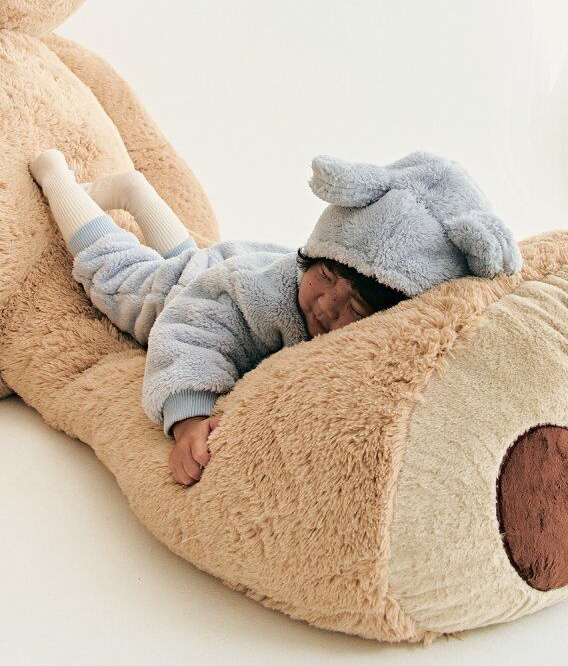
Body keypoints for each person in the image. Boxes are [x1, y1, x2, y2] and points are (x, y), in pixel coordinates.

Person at [29, 148, 520, 485]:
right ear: (317, 252)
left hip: (228, 266)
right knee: (123, 282)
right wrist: (189, 415)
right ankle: (56, 178)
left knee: (188, 256)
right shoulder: (268, 298)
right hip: (199, 295)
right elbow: (193, 328)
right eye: (325, 275)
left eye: (355, 308)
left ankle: (134, 191)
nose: (326, 305)